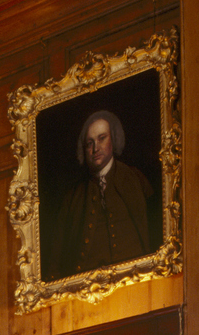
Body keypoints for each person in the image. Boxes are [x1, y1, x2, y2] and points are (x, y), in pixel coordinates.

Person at [49, 109, 156, 278]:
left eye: (101, 138)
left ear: (113, 139)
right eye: (89, 143)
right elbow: (55, 256)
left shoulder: (135, 179)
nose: (95, 148)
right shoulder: (73, 196)